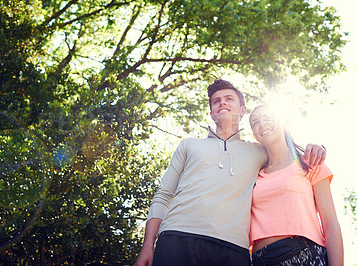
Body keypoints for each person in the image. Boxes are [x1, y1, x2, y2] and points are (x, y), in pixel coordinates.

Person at [134, 79, 326, 266]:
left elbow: (284, 153)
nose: (222, 103)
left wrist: (316, 147)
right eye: (216, 101)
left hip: (232, 248)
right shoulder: (188, 145)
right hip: (176, 238)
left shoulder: (259, 152)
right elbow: (164, 195)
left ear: (242, 110)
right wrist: (147, 246)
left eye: (229, 99)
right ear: (211, 114)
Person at [249, 104, 343, 265]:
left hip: (304, 254)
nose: (262, 124)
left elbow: (331, 224)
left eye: (268, 117)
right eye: (255, 122)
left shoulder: (311, 162)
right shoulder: (253, 174)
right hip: (260, 259)